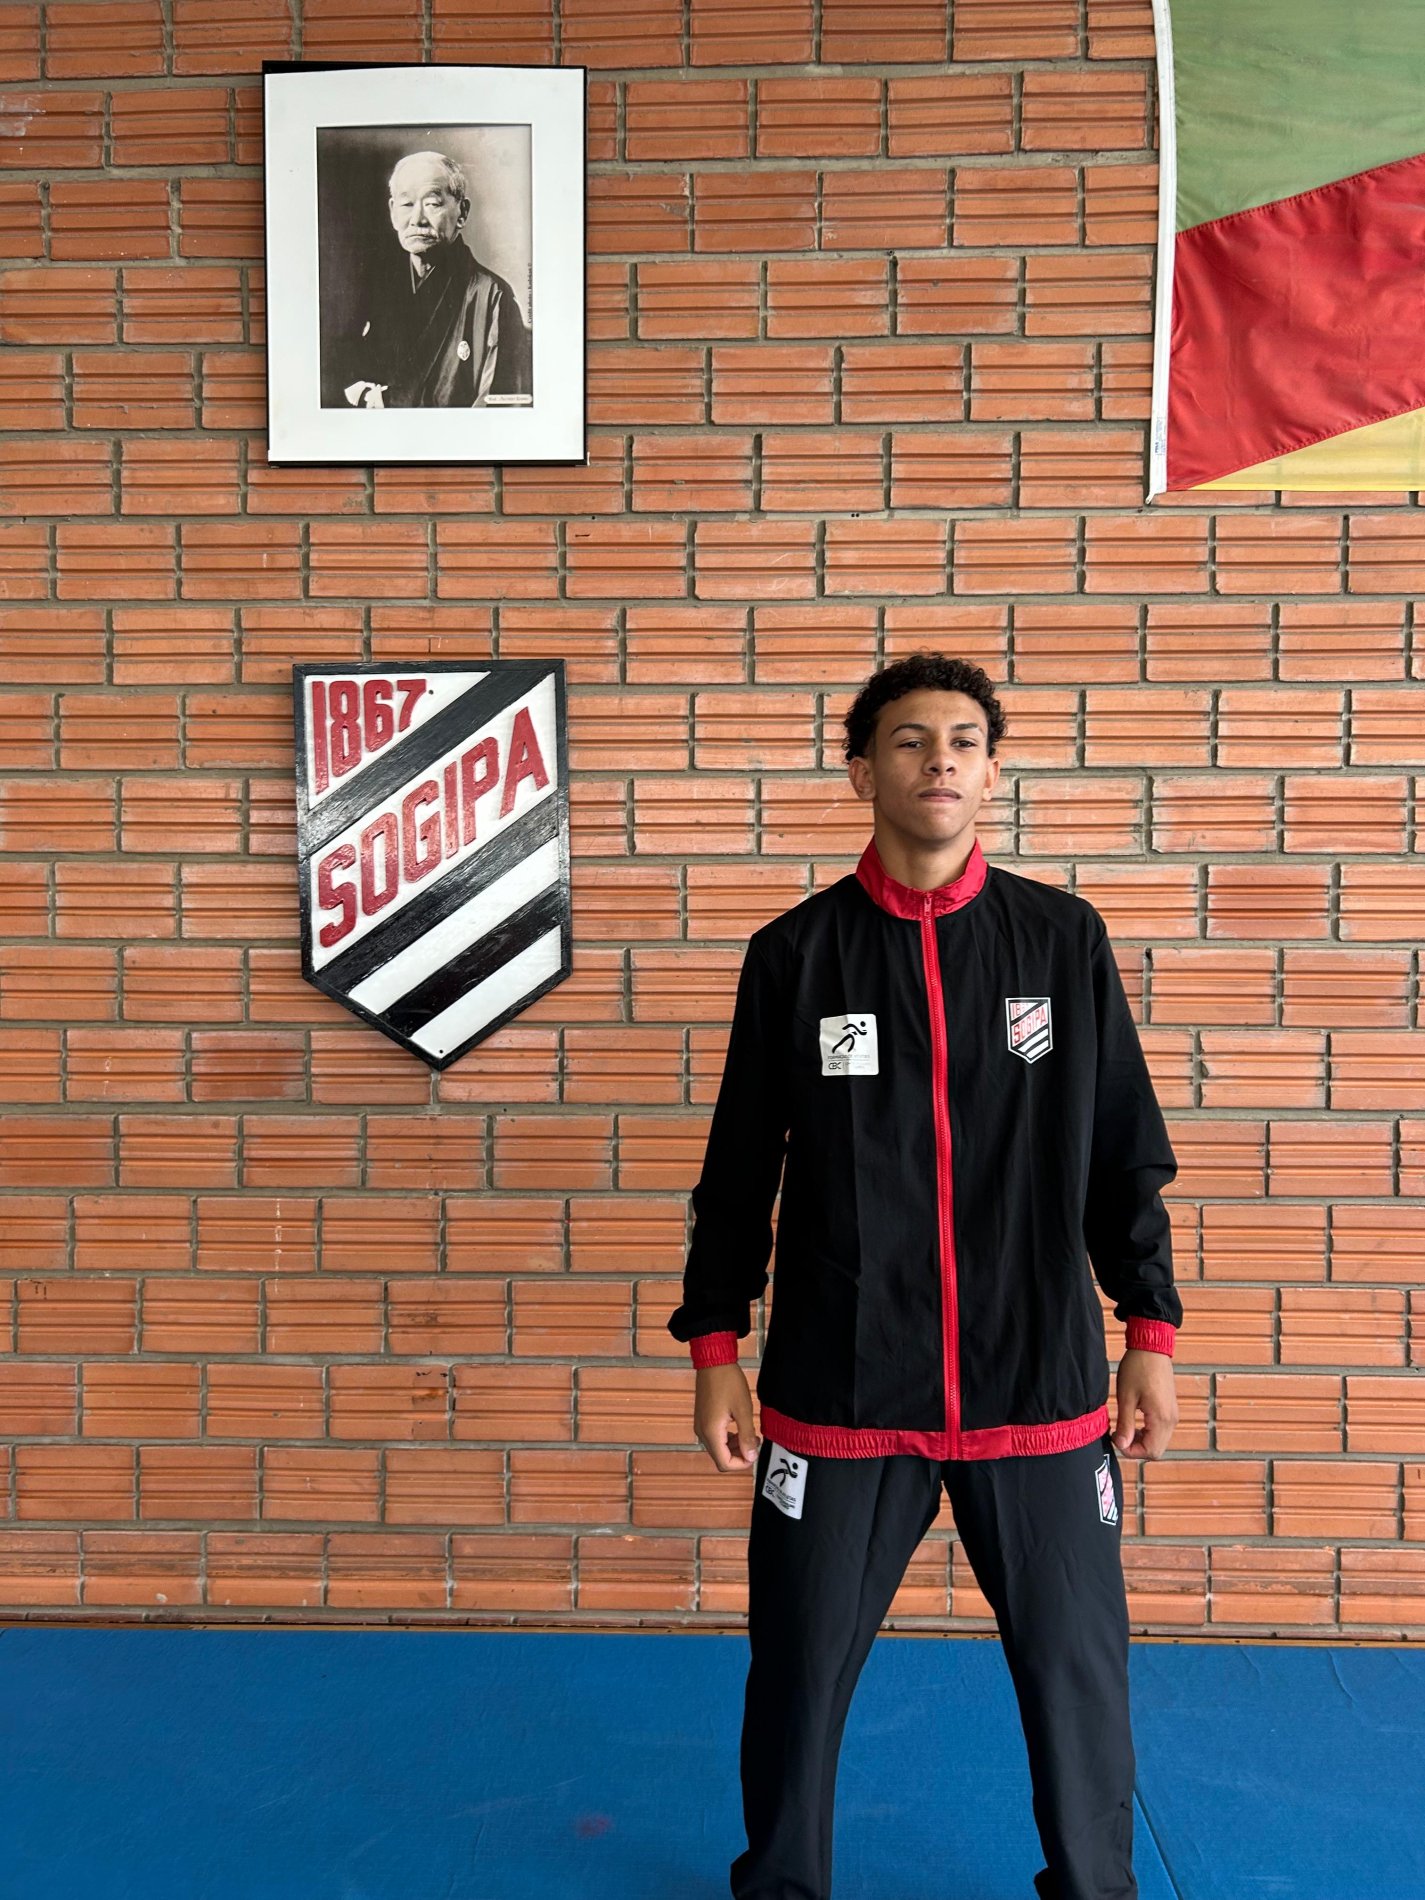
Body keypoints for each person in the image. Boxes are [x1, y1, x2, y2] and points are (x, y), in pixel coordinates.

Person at [667, 652, 1183, 1900]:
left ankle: (1097, 1889)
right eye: (908, 740)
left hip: (1038, 1382)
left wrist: (1149, 1331)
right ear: (862, 771)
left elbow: (1123, 1149)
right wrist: (716, 1347)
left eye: (962, 740)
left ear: (991, 771)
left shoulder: (1061, 940)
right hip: (841, 1389)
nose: (938, 759)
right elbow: (738, 1169)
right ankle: (783, 1886)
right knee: (797, 1666)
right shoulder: (795, 956)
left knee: (1077, 1670)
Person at [336, 149, 532, 410]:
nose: (417, 220)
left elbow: (498, 410)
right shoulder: (378, 287)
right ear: (393, 213)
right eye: (407, 205)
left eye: (432, 204)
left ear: (462, 212)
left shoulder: (492, 296)